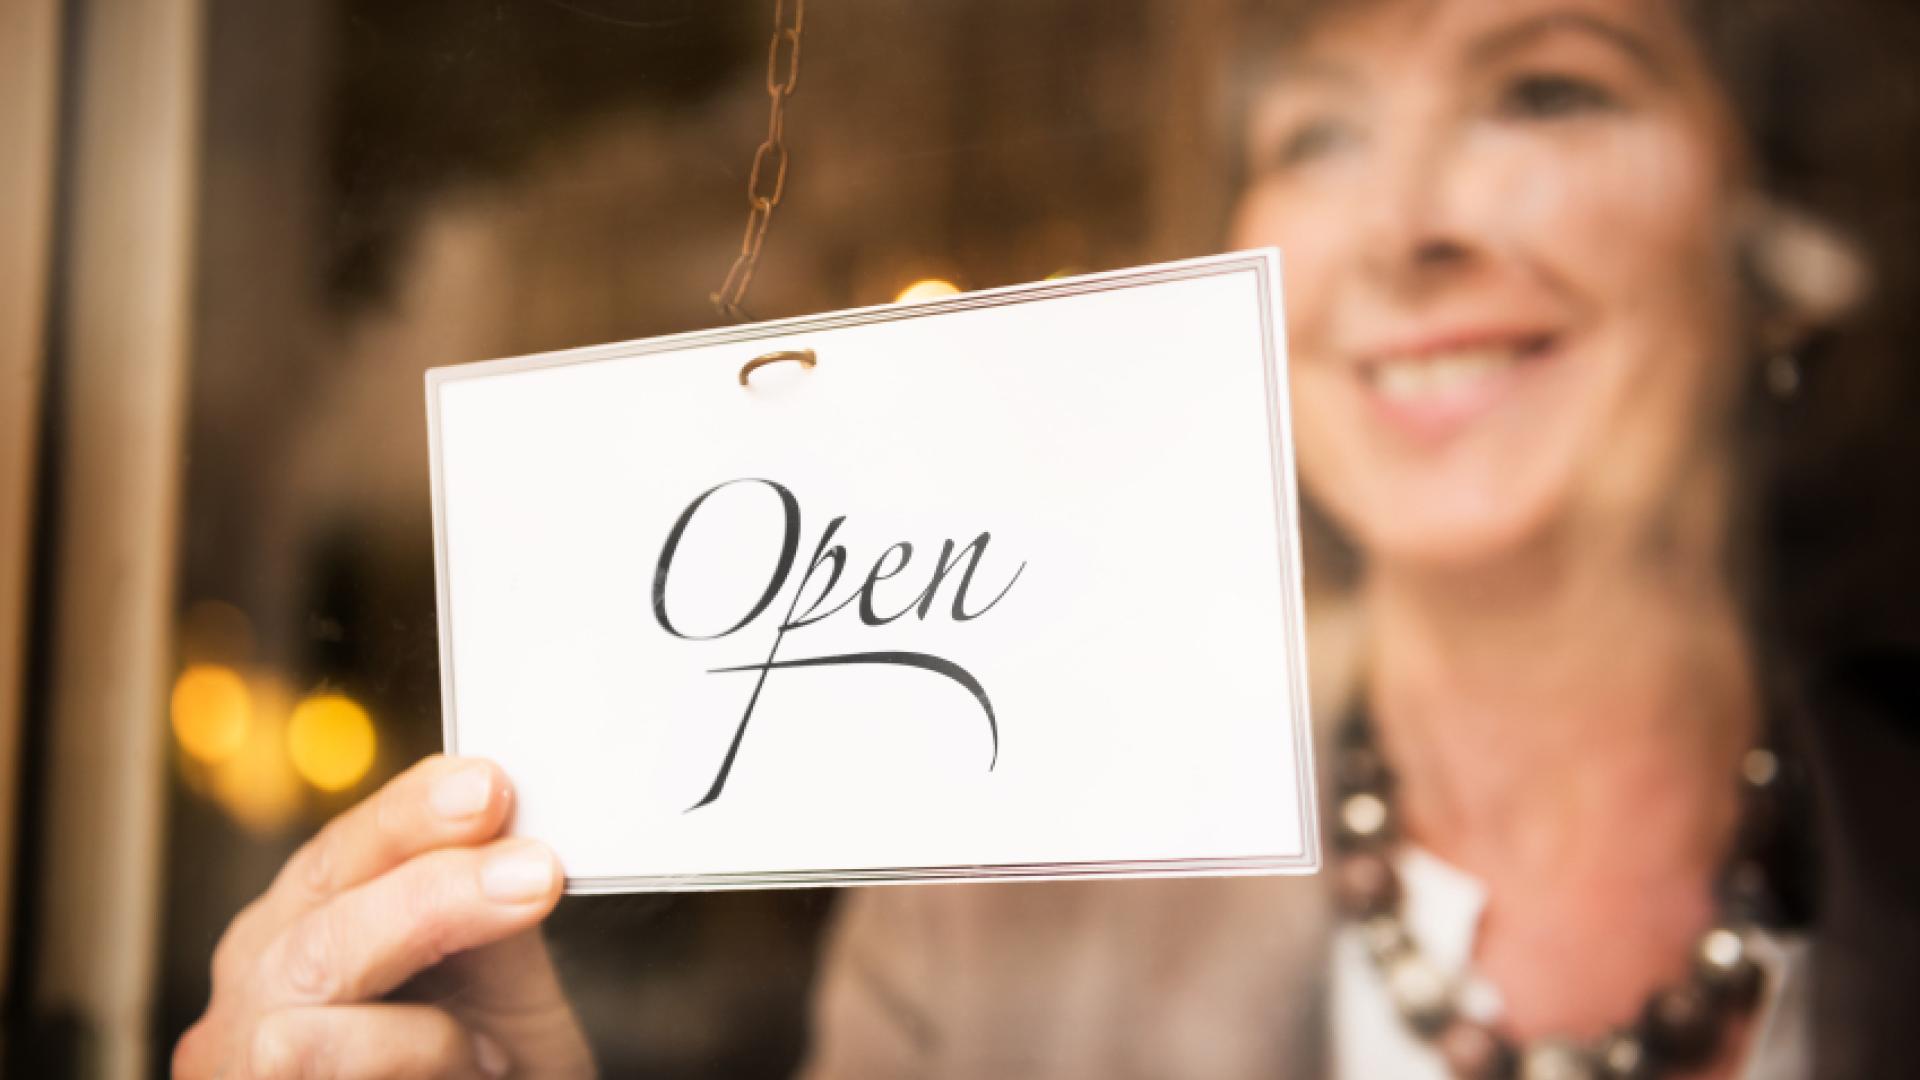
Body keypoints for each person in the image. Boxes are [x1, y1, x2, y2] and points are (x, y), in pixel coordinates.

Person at [177, 1, 1919, 1077]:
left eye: (1546, 88)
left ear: (1778, 244)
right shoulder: (983, 924)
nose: (1405, 229)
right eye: (1316, 130)